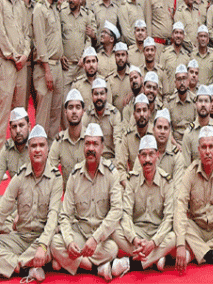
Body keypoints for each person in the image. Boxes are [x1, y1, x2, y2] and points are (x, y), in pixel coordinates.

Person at [0, 126, 62, 282]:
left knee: (56, 244)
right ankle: (27, 266)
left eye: (41, 145)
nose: (37, 150)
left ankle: (7, 266)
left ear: (47, 149)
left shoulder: (55, 178)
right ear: (28, 149)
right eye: (33, 146)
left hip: (42, 238)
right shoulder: (20, 177)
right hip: (20, 238)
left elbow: (53, 216)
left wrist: (43, 245)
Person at [50, 124, 122, 280]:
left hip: (101, 239)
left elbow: (117, 211)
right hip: (80, 234)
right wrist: (69, 242)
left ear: (102, 148)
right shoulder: (75, 175)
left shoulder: (112, 174)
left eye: (95, 144)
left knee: (113, 249)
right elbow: (65, 215)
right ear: (83, 147)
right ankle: (96, 268)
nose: (91, 148)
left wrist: (96, 239)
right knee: (55, 242)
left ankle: (69, 263)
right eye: (88, 143)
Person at [174, 126, 213, 272]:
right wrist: (180, 245)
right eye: (204, 147)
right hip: (198, 228)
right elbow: (181, 205)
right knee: (181, 226)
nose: (207, 151)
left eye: (211, 147)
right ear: (198, 150)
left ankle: (196, 253)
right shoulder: (190, 172)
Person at [113, 134, 176, 273]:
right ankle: (156, 257)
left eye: (151, 154)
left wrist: (154, 242)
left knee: (174, 237)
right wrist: (134, 239)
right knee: (115, 230)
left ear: (157, 156)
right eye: (143, 155)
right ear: (139, 157)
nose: (147, 160)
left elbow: (168, 218)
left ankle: (131, 263)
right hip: (138, 233)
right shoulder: (132, 180)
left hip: (157, 232)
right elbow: (126, 214)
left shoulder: (167, 182)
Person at [0, 0, 31, 168]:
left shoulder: (21, 3)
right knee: (3, 114)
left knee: (20, 113)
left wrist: (24, 55)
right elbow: (0, 32)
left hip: (21, 65)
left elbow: (26, 34)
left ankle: (20, 159)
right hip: (7, 65)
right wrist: (14, 56)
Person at [33, 0, 65, 140]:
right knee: (44, 115)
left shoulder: (53, 8)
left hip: (57, 65)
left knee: (55, 113)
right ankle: (39, 150)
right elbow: (40, 42)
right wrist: (47, 70)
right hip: (46, 67)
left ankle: (52, 153)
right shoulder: (39, 9)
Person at [180, 85, 213, 167]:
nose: (203, 104)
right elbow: (185, 167)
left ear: (210, 104)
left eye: (206, 101)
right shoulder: (189, 133)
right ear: (196, 104)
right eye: (200, 101)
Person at [60, 0, 96, 87]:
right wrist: (61, 55)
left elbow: (88, 39)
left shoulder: (87, 16)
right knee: (65, 99)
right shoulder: (62, 14)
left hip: (82, 66)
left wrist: (84, 57)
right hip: (67, 66)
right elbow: (58, 36)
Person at [48, 89, 86, 186]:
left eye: (78, 107)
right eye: (70, 107)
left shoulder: (90, 138)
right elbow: (49, 170)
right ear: (65, 112)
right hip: (68, 197)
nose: (74, 111)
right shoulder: (59, 141)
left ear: (83, 112)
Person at [82, 78, 122, 160]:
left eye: (102, 93)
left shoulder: (114, 114)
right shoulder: (87, 114)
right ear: (92, 96)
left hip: (110, 159)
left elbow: (118, 141)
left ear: (106, 95)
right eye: (96, 94)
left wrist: (118, 164)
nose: (99, 97)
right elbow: (82, 140)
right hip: (92, 159)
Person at [0, 108, 30, 190]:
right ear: (10, 130)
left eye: (21, 125)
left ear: (29, 126)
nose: (18, 130)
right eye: (14, 127)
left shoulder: (36, 145)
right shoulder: (7, 148)